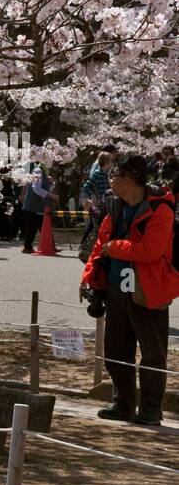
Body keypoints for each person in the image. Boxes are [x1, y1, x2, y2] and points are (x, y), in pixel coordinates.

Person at [81, 155, 179, 425]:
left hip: (148, 289)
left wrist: (116, 247)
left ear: (128, 180)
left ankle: (150, 409)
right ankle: (122, 403)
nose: (110, 181)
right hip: (116, 287)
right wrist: (89, 278)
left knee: (152, 352)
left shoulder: (160, 209)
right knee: (116, 350)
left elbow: (151, 250)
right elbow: (98, 247)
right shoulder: (114, 206)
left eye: (114, 177)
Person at [20, 163, 56, 253]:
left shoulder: (44, 172)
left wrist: (51, 183)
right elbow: (36, 188)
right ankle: (28, 247)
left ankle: (50, 246)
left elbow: (46, 187)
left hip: (39, 205)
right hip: (33, 204)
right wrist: (50, 195)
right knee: (34, 226)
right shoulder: (38, 171)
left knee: (40, 225)